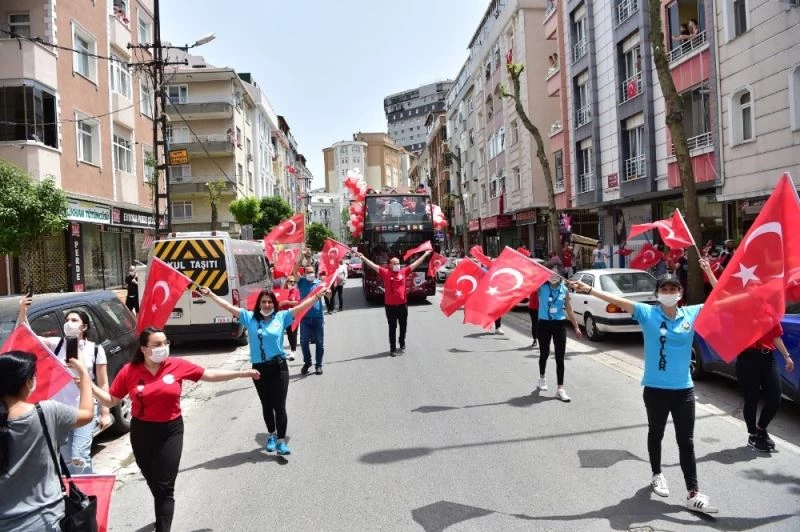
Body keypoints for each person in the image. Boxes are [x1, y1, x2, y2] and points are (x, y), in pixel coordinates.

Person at [568, 259, 720, 514]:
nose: (670, 294)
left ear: (680, 293)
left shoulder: (690, 314)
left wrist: (708, 271)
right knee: (656, 433)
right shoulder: (647, 313)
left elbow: (720, 298)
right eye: (665, 290)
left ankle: (693, 493)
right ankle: (657, 473)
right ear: (657, 294)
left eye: (674, 290)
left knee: (687, 442)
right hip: (655, 390)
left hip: (684, 390)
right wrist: (589, 290)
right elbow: (616, 300)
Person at [91, 327, 260, 532]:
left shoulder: (177, 365)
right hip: (142, 432)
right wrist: (87, 384)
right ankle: (162, 511)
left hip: (170, 430)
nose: (163, 348)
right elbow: (111, 399)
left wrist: (241, 373)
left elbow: (209, 374)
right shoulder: (130, 370)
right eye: (157, 344)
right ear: (144, 349)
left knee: (165, 486)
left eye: (165, 343)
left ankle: (163, 525)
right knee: (153, 480)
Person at [0, 350, 95, 532]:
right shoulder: (47, 412)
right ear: (28, 382)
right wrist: (83, 375)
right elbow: (88, 414)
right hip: (48, 521)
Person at [17, 298, 110, 474]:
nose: (69, 323)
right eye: (67, 320)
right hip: (60, 411)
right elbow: (27, 335)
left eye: (74, 320)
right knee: (67, 458)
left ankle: (86, 495)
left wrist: (105, 413)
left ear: (84, 327)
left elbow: (103, 382)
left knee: (79, 455)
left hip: (85, 407)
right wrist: (23, 310)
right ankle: (77, 494)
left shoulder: (95, 349)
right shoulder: (56, 343)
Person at [357, 250, 431, 356]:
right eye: (395, 263)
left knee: (403, 325)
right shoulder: (385, 273)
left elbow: (416, 263)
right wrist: (363, 258)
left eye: (398, 263)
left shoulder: (404, 272)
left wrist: (425, 255)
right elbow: (373, 265)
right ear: (390, 265)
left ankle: (402, 341)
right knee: (392, 327)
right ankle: (392, 348)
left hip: (403, 305)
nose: (397, 265)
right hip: (390, 306)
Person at [736, 326, 795, 453]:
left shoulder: (770, 313)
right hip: (747, 358)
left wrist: (786, 356)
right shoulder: (742, 313)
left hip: (768, 357)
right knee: (751, 399)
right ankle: (753, 435)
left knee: (775, 397)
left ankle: (761, 428)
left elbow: (776, 336)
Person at [535, 264, 582, 402]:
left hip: (559, 325)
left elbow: (569, 309)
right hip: (543, 324)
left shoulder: (564, 290)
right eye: (550, 273)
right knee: (544, 353)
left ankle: (560, 389)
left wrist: (576, 327)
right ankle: (542, 378)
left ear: (560, 275)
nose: (553, 276)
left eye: (556, 274)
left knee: (560, 357)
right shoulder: (541, 288)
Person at [295, 263, 331, 375]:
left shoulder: (320, 284)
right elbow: (293, 271)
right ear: (304, 273)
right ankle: (307, 362)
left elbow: (328, 295)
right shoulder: (301, 282)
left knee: (319, 343)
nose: (310, 274)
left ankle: (319, 365)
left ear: (314, 273)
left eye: (311, 272)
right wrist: (301, 257)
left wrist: (328, 293)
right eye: (307, 272)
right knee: (304, 342)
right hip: (304, 318)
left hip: (317, 318)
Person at [280, 276, 301, 361]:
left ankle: (293, 350)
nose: (292, 283)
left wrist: (288, 302)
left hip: (294, 315)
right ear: (287, 282)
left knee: (293, 333)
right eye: (290, 281)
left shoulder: (296, 291)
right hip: (284, 316)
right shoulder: (283, 292)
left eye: (294, 282)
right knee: (288, 334)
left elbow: (298, 302)